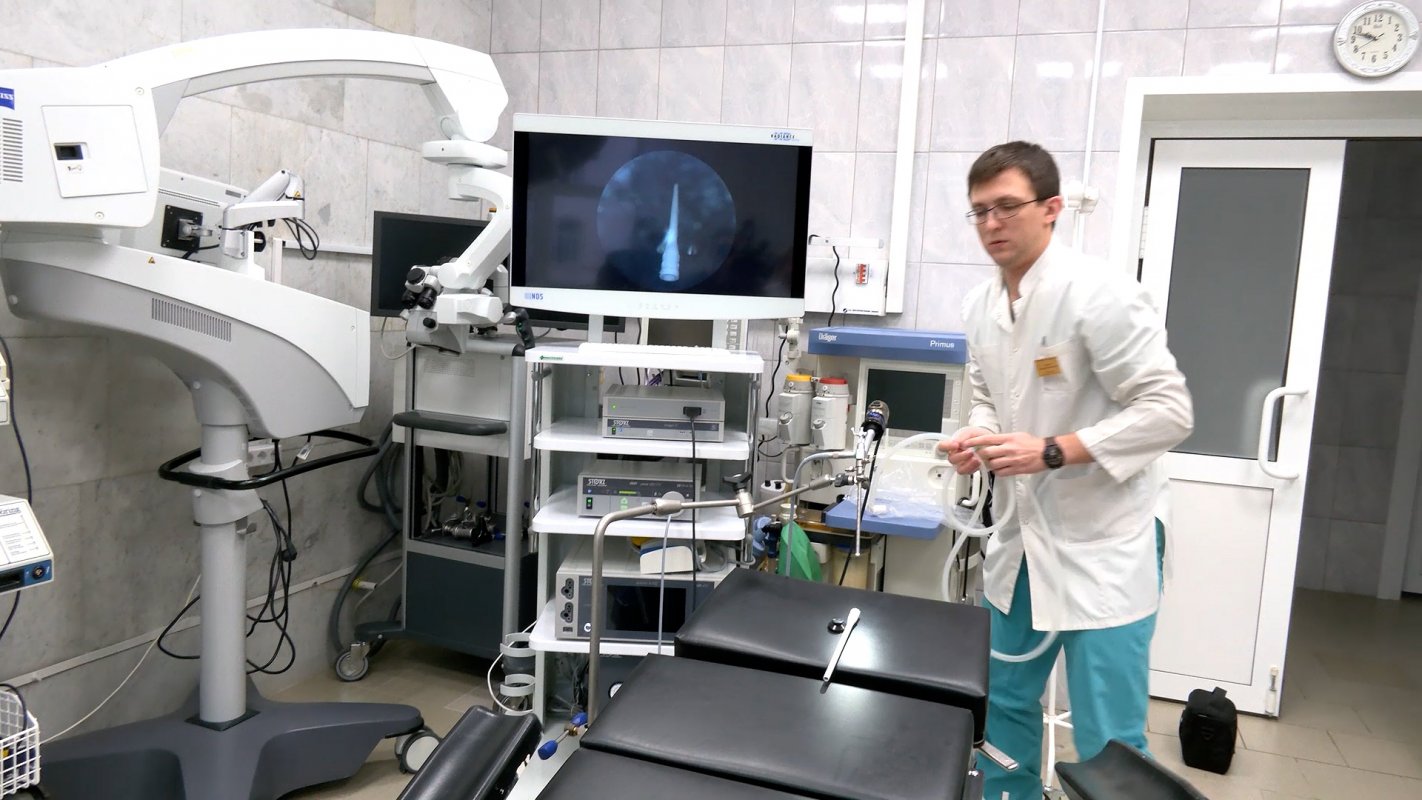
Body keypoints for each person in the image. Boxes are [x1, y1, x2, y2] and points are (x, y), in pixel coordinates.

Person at [938, 141, 1193, 799]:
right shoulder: (980, 306)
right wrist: (980, 436)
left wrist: (1051, 450)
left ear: (1051, 208)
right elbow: (989, 396)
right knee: (1002, 708)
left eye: (1007, 206)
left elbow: (1169, 412)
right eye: (979, 211)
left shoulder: (1100, 295)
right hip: (1023, 541)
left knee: (1109, 739)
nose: (992, 223)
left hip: (1105, 542)